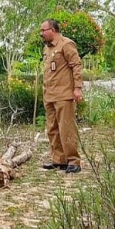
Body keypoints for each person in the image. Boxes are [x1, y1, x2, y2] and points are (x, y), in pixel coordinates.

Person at [38, 19, 84, 174]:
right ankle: (59, 160)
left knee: (66, 128)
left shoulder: (66, 44)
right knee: (52, 129)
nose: (41, 34)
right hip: (50, 95)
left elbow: (76, 66)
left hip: (64, 94)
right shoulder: (47, 48)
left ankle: (73, 161)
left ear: (53, 30)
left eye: (43, 30)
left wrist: (77, 88)